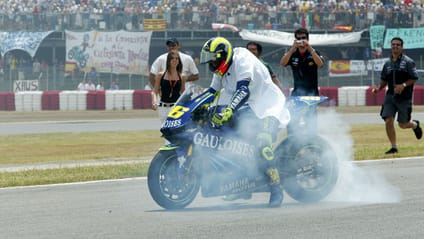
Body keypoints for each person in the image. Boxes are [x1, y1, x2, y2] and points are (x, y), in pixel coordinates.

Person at [199, 37, 290, 208]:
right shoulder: (220, 70)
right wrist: (194, 107)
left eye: (213, 60)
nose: (211, 65)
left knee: (263, 143)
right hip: (250, 108)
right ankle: (242, 184)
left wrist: (229, 110)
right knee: (230, 139)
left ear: (222, 56)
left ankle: (276, 188)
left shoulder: (243, 59)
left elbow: (243, 89)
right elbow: (212, 92)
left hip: (267, 107)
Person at [371, 37, 422, 154]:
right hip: (390, 96)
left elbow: (414, 77)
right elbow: (384, 80)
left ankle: (414, 125)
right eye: (393, 44)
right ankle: (394, 147)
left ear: (401, 47)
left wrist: (403, 85)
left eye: (398, 45)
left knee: (403, 125)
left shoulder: (408, 62)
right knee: (388, 120)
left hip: (404, 98)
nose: (395, 46)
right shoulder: (387, 64)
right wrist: (378, 89)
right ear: (391, 46)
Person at [279, 27, 324, 134]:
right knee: (293, 119)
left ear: (307, 39)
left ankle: (311, 141)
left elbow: (320, 64)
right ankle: (292, 140)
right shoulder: (293, 54)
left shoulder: (314, 53)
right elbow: (282, 63)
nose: (301, 40)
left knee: (310, 120)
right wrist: (292, 49)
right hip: (297, 92)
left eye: (303, 38)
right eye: (298, 38)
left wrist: (310, 49)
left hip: (311, 93)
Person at [152, 50, 186, 123]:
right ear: (168, 60)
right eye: (172, 58)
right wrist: (154, 102)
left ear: (179, 61)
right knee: (165, 130)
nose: (174, 60)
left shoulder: (182, 76)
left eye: (176, 58)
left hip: (176, 107)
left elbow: (183, 93)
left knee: (174, 130)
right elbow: (155, 91)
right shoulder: (161, 75)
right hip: (163, 107)